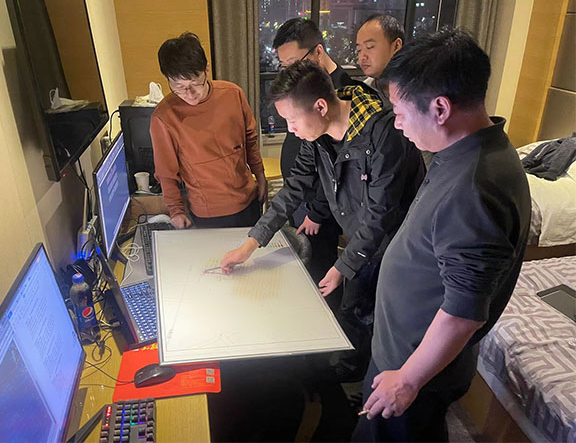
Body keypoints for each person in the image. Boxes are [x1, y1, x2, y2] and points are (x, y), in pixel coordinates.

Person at [353, 29, 531, 442]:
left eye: (399, 111)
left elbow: (464, 311)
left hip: (415, 370)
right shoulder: (462, 150)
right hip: (403, 353)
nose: (397, 122)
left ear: (439, 108)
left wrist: (407, 380)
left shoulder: (476, 187)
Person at [221, 60, 425, 381]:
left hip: (395, 242)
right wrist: (250, 244)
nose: (290, 129)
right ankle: (352, 368)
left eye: (292, 120)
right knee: (352, 308)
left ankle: (364, 380)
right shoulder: (317, 136)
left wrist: (342, 266)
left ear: (320, 106)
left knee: (367, 314)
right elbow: (294, 188)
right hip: (360, 235)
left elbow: (380, 214)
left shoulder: (384, 136)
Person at [150, 32, 267, 229]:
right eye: (179, 87)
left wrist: (260, 176)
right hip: (208, 213)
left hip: (248, 200)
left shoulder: (233, 94)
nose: (189, 94)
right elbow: (166, 173)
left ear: (206, 70)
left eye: (195, 83)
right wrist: (176, 211)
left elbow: (250, 140)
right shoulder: (163, 117)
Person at [272, 18, 354, 288]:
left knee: (320, 271)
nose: (290, 73)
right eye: (284, 66)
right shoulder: (300, 88)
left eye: (294, 63)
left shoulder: (339, 93)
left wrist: (317, 211)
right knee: (301, 267)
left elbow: (338, 167)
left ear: (318, 51)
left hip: (320, 206)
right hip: (301, 194)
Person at [356, 14, 404, 90]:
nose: (362, 57)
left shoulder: (419, 89)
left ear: (396, 46)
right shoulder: (364, 90)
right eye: (359, 50)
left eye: (370, 46)